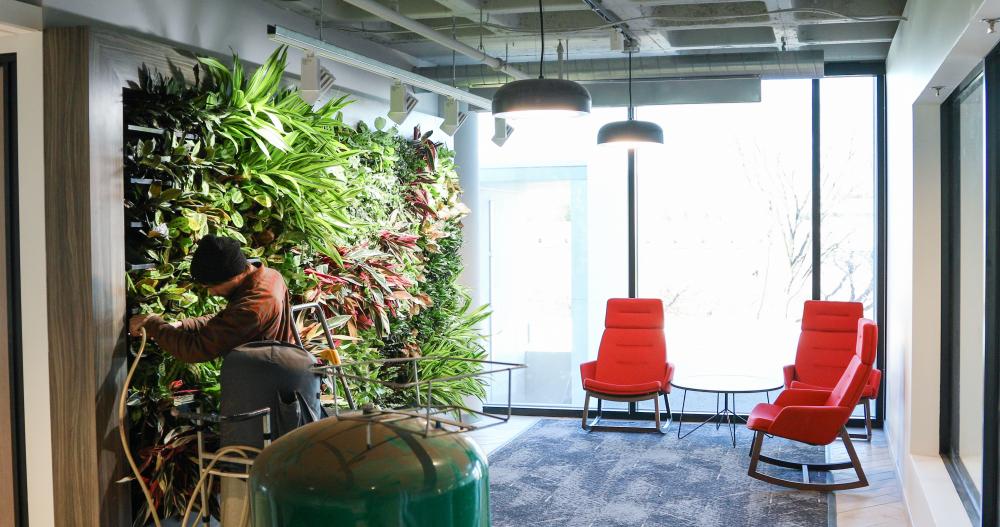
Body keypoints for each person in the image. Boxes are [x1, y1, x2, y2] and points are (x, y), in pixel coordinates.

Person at [129, 234, 298, 361]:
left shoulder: (253, 308)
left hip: (267, 381)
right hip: (278, 363)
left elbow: (196, 349)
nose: (211, 293)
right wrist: (182, 324)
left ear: (233, 277)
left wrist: (153, 324)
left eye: (211, 287)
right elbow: (228, 320)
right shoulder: (270, 276)